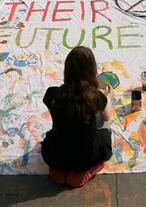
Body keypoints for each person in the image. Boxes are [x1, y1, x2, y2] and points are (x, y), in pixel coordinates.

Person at [41, 46, 113, 188]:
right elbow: (107, 116)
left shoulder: (53, 94)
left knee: (60, 131)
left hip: (55, 155)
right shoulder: (95, 97)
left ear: (67, 70)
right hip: (86, 158)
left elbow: (54, 118)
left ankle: (60, 172)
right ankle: (87, 171)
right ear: (92, 71)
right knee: (105, 124)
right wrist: (108, 97)